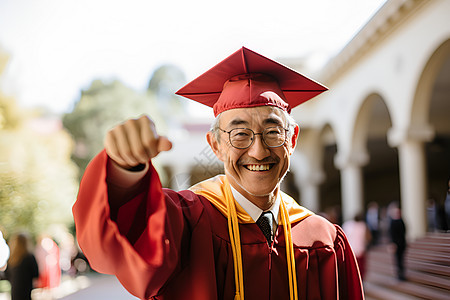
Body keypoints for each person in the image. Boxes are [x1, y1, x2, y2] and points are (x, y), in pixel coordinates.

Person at [73, 47, 364, 299]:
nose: (259, 151)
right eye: (240, 134)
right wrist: (125, 170)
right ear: (216, 145)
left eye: (273, 132)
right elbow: (118, 241)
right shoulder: (186, 222)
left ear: (292, 139)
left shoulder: (323, 240)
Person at [4, 233, 39, 300]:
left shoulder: (12, 258)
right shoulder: (29, 257)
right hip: (26, 290)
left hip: (15, 291)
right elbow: (36, 274)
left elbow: (6, 274)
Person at [342, 213, 371, 280]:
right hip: (360, 250)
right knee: (360, 269)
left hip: (350, 250)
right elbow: (368, 237)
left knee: (352, 268)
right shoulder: (363, 226)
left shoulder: (347, 225)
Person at [388, 204, 407, 281]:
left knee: (401, 259)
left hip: (402, 244)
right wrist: (392, 244)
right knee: (397, 260)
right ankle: (399, 275)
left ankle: (401, 274)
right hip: (396, 244)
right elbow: (391, 234)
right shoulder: (392, 222)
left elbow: (404, 232)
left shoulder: (401, 221)